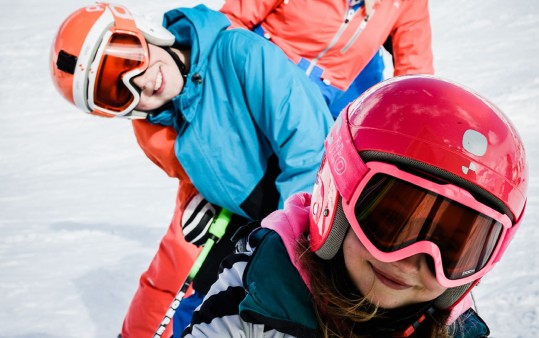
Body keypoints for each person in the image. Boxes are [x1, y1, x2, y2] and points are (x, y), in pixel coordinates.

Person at [49, 3, 333, 337]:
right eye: (118, 93)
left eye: (127, 58)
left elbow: (310, 150)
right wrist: (202, 199)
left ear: (144, 31)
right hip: (255, 225)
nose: (139, 82)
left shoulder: (238, 55)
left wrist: (280, 247)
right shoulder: (158, 130)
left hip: (311, 216)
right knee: (202, 299)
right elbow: (198, 181)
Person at [180, 75, 528, 337]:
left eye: (452, 251)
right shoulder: (255, 298)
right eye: (391, 223)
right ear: (337, 200)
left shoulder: (458, 331)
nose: (409, 261)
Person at [220, 0, 433, 118]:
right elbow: (232, 19)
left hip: (320, 97)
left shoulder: (406, 4)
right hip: (259, 72)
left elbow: (415, 74)